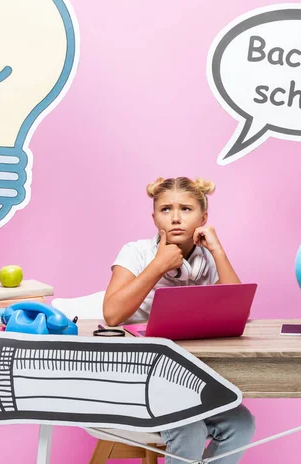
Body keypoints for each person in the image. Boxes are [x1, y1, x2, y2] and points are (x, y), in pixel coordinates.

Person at [103, 176, 256, 464]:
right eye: (165, 210)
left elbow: (240, 313)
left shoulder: (205, 260)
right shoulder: (135, 252)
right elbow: (112, 314)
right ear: (153, 217)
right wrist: (158, 265)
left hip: (188, 379)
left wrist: (218, 252)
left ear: (203, 217)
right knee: (188, 428)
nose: (175, 218)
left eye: (186, 209)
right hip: (141, 380)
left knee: (242, 423)